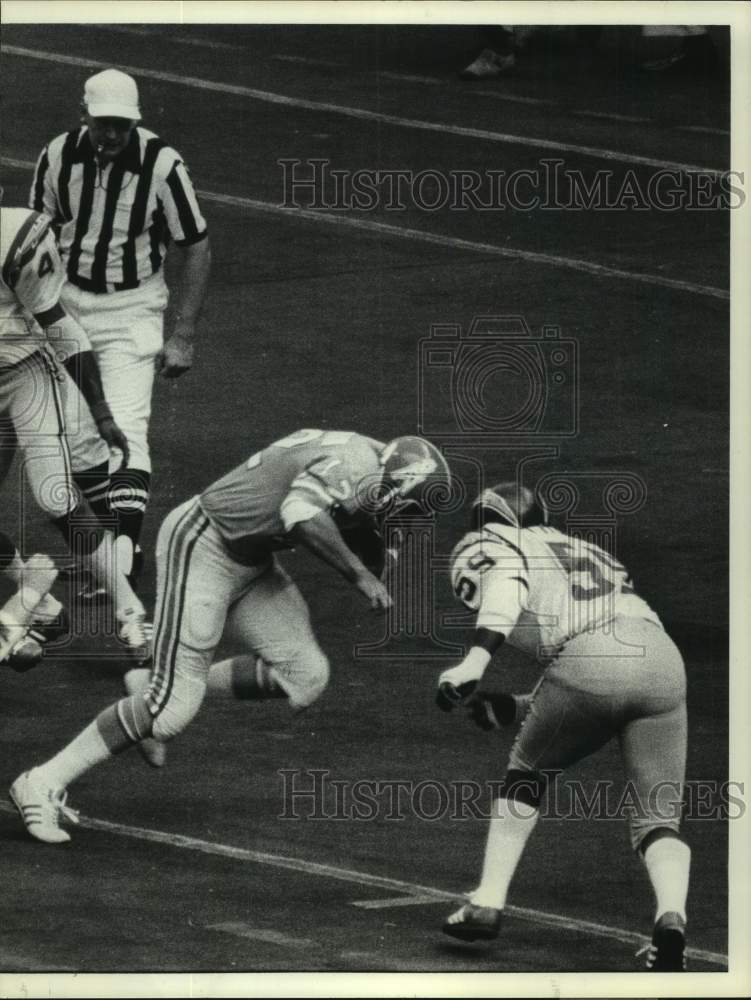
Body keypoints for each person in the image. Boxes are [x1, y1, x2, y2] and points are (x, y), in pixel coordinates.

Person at [9, 429, 452, 840]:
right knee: (170, 713)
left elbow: (360, 529)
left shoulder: (374, 462)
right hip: (205, 545)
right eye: (412, 506)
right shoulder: (356, 462)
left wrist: (380, 549)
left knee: (306, 676)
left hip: (251, 558)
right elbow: (299, 514)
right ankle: (40, 782)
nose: (411, 518)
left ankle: (150, 685)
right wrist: (361, 576)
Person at [435, 481, 690, 972]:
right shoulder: (584, 548)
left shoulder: (490, 543)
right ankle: (671, 916)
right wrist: (515, 704)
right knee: (659, 818)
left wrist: (475, 661)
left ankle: (487, 900)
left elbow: (510, 585)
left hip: (589, 661)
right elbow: (619, 672)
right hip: (663, 660)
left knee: (526, 776)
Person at [30, 68, 211, 592]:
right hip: (66, 301)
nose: (113, 134)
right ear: (83, 114)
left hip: (132, 306)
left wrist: (183, 334)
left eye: (122, 125)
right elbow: (37, 233)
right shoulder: (57, 156)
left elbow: (196, 243)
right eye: (104, 123)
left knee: (127, 426)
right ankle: (106, 550)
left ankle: (124, 557)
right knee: (75, 438)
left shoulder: (163, 165)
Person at [1, 205, 149, 656]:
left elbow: (59, 325)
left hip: (24, 373)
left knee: (55, 496)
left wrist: (100, 410)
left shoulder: (13, 237)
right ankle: (37, 603)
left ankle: (131, 613)